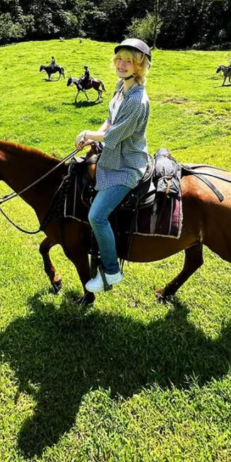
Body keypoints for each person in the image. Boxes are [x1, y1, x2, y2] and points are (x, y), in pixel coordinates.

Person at [75, 39, 151, 293]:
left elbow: (115, 135)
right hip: (111, 155)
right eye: (119, 58)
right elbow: (109, 121)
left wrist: (87, 133)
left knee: (97, 215)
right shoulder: (121, 87)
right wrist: (91, 136)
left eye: (129, 60)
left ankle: (111, 271)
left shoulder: (137, 100)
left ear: (139, 66)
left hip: (127, 165)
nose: (122, 64)